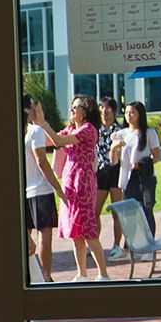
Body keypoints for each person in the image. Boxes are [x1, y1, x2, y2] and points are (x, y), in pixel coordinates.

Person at [52, 96, 107, 279]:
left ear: (86, 111)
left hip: (82, 181)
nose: (72, 110)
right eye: (72, 107)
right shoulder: (71, 128)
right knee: (76, 232)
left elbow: (59, 141)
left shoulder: (88, 130)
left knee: (88, 228)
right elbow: (53, 140)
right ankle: (82, 273)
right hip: (70, 180)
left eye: (76, 107)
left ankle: (103, 274)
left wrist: (42, 122)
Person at [22, 92, 69, 282]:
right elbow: (42, 162)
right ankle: (46, 277)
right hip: (41, 190)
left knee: (27, 239)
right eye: (36, 106)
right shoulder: (35, 132)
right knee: (44, 238)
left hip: (23, 190)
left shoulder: (19, 131)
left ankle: (29, 276)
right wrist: (58, 188)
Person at [110, 100, 161, 237]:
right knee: (129, 213)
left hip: (144, 177)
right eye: (127, 112)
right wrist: (113, 149)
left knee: (146, 210)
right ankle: (131, 245)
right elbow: (114, 161)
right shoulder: (121, 134)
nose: (129, 115)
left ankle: (149, 242)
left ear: (140, 114)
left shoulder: (149, 133)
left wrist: (142, 164)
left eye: (132, 112)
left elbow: (157, 156)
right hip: (128, 178)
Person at [96, 92, 125, 252]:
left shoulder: (119, 130)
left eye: (107, 108)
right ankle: (95, 244)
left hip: (115, 172)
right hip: (99, 174)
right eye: (101, 107)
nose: (104, 111)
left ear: (113, 110)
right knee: (95, 211)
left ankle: (116, 245)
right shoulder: (95, 129)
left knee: (116, 212)